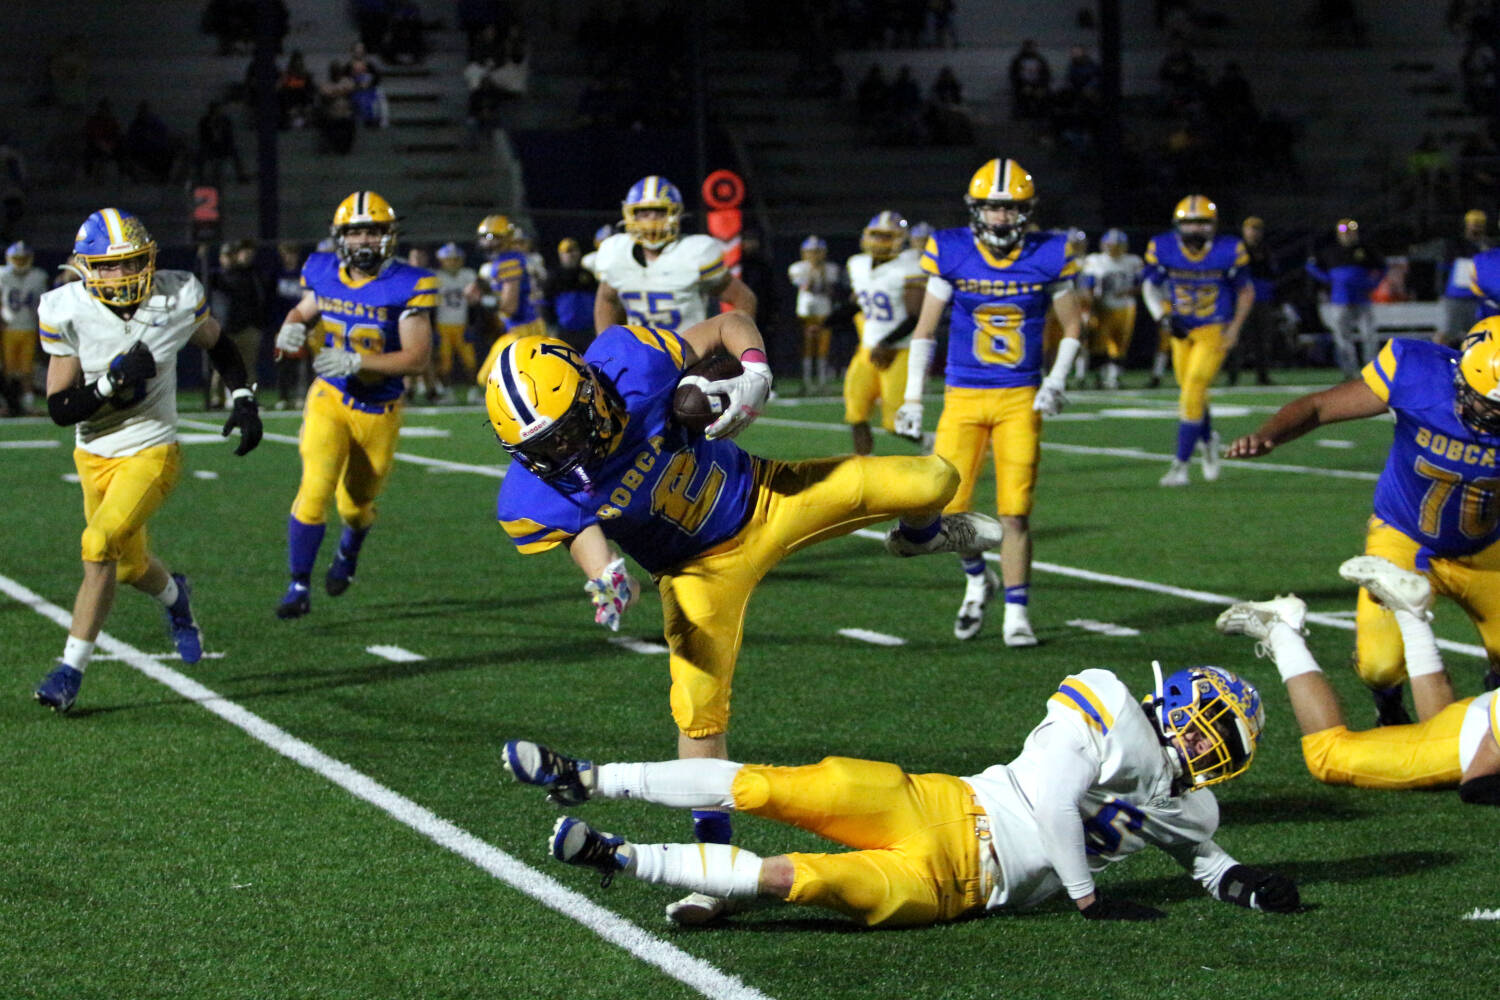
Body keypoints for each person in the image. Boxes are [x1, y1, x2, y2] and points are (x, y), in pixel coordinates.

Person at [484, 319, 1003, 923]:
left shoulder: (630, 362)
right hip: (696, 572)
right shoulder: (530, 494)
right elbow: (583, 534)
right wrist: (603, 574)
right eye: (543, 448)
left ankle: (921, 537)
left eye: (568, 432)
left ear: (591, 391)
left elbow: (728, 322)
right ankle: (715, 867)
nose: (563, 454)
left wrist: (754, 369)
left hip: (765, 496)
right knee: (697, 713)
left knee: (936, 477)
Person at [501, 662, 1300, 926]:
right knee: (770, 787)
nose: (1205, 746)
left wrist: (1247, 885)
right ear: (1175, 703)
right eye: (1206, 727)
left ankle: (620, 857)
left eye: (1221, 743)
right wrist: (1089, 898)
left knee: (801, 879)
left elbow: (1202, 858)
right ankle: (591, 779)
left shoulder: (1191, 805)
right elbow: (1056, 803)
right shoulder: (1110, 704)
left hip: (958, 887)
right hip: (948, 805)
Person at [33, 208, 263, 713]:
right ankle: (177, 599)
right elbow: (58, 407)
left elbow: (218, 344)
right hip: (93, 452)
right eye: (109, 266)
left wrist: (243, 397)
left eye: (132, 262)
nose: (122, 275)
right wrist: (111, 383)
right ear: (87, 267)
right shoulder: (66, 308)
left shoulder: (175, 295)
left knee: (97, 546)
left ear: (150, 258)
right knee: (130, 565)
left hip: (152, 447)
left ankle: (69, 672)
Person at [1224, 318, 1500, 722]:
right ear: (1461, 375)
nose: (1490, 415)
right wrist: (1270, 435)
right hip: (1403, 539)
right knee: (1379, 665)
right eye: (1487, 402)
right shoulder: (1416, 370)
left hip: (1486, 548)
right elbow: (1320, 406)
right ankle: (1388, 706)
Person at [894, 158, 1085, 646]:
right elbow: (925, 329)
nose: (1000, 217)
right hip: (963, 393)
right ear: (977, 209)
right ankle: (979, 577)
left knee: (1015, 511)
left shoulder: (1050, 253)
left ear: (1025, 211)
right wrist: (914, 397)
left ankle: (1017, 613)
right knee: (949, 506)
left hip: (1020, 395)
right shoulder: (951, 249)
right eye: (992, 208)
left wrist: (1057, 379)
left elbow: (1074, 326)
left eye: (1009, 208)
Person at [271, 191, 436, 619]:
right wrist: (288, 330)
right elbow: (303, 310)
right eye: (356, 231)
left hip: (379, 409)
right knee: (315, 488)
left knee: (355, 506)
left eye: (373, 231)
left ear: (389, 236)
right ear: (340, 236)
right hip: (331, 395)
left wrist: (359, 361)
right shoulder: (322, 270)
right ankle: (298, 585)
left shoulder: (409, 283)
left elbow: (417, 358)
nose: (364, 240)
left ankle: (349, 549)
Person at [1217, 557, 1500, 803]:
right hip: (1474, 738)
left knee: (1439, 726)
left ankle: (1410, 613)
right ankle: (1279, 628)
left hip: (1477, 720)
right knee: (1327, 756)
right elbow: (1476, 783)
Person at [1143, 195, 1254, 487]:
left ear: (1213, 225)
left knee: (1193, 389)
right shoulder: (1163, 246)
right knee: (1192, 391)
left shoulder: (1229, 249)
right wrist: (1161, 317)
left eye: (1202, 223)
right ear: (1178, 225)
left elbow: (1245, 291)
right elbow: (1149, 286)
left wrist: (1235, 328)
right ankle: (1207, 440)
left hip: (1214, 327)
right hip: (1180, 329)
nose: (1195, 229)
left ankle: (1180, 466)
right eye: (1189, 222)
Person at [592, 176, 757, 335]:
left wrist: (737, 349)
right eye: (644, 213)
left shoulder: (694, 252)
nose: (652, 220)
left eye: (659, 212)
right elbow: (607, 300)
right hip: (641, 357)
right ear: (630, 215)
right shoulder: (616, 253)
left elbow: (744, 298)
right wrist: (607, 345)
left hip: (691, 356)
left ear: (676, 214)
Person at [844, 211, 925, 455]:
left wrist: (887, 342)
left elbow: (916, 316)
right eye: (876, 235)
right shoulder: (856, 264)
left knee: (894, 423)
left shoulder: (910, 265)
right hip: (868, 349)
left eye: (886, 236)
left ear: (899, 239)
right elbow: (859, 301)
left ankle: (931, 443)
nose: (880, 241)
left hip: (900, 350)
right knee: (855, 410)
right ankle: (864, 465)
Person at [1305, 218, 1385, 378]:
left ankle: (1372, 371)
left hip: (1362, 299)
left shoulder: (1365, 250)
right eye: (1344, 232)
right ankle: (1349, 372)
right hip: (1340, 300)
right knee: (1342, 337)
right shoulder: (1330, 251)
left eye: (1351, 231)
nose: (1348, 235)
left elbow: (1382, 267)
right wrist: (1328, 279)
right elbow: (1311, 267)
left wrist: (1373, 283)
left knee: (1368, 335)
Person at [470, 214, 544, 385]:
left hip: (524, 330)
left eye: (493, 237)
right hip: (519, 328)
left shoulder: (508, 262)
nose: (487, 242)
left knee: (488, 377)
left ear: (507, 239)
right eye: (485, 237)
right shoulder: (506, 260)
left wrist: (482, 299)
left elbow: (510, 307)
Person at [1078, 229, 1143, 391]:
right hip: (1103, 307)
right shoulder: (1095, 260)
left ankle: (1113, 377)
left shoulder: (1132, 261)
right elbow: (1086, 285)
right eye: (1111, 245)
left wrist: (1129, 292)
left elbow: (1143, 285)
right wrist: (1090, 304)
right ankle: (1100, 376)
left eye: (1117, 245)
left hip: (1126, 307)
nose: (1113, 249)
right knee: (1099, 344)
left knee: (1120, 344)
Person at [205, 239, 265, 411]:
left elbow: (260, 297)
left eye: (232, 255)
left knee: (248, 367)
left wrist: (257, 322)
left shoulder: (249, 273)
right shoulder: (216, 276)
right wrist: (200, 257)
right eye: (226, 255)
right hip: (225, 328)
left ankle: (249, 397)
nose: (229, 259)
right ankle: (217, 399)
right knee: (220, 366)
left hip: (247, 327)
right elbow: (200, 278)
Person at [1226, 216, 1279, 386]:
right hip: (1242, 301)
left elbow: (1272, 274)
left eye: (1257, 229)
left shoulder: (1267, 250)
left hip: (1263, 300)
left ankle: (1262, 376)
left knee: (1262, 340)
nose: (1254, 232)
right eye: (1250, 229)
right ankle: (1232, 376)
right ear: (1244, 230)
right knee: (1237, 339)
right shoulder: (1237, 250)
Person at [0, 240, 49, 415]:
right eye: (17, 258)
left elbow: (43, 305)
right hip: (8, 329)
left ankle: (27, 403)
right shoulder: (3, 275)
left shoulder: (38, 276)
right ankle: (6, 403)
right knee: (6, 370)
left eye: (23, 258)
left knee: (27, 370)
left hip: (29, 327)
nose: (20, 262)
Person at [788, 235, 840, 391]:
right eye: (811, 251)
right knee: (807, 348)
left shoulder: (831, 268)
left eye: (818, 251)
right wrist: (813, 271)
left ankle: (822, 381)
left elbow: (829, 290)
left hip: (824, 311)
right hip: (806, 311)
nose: (814, 255)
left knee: (823, 348)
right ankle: (807, 381)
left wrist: (821, 272)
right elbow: (807, 287)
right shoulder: (798, 268)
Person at [433, 242, 478, 399]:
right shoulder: (436, 277)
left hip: (462, 324)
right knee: (444, 362)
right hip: (442, 325)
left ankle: (473, 391)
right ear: (442, 261)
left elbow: (474, 301)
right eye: (449, 259)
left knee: (470, 360)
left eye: (455, 259)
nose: (452, 263)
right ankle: (447, 392)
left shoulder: (468, 275)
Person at [1442, 209, 1489, 344]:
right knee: (1450, 333)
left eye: (1479, 224)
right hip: (1457, 295)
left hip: (1477, 297)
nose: (1476, 227)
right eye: (1474, 223)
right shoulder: (1456, 244)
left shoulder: (1487, 245)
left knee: (1478, 335)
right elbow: (1450, 263)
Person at [542, 237, 596, 353]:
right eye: (567, 252)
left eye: (574, 251)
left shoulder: (587, 275)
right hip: (565, 331)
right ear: (561, 255)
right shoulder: (554, 277)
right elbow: (546, 304)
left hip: (588, 331)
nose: (571, 255)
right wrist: (551, 327)